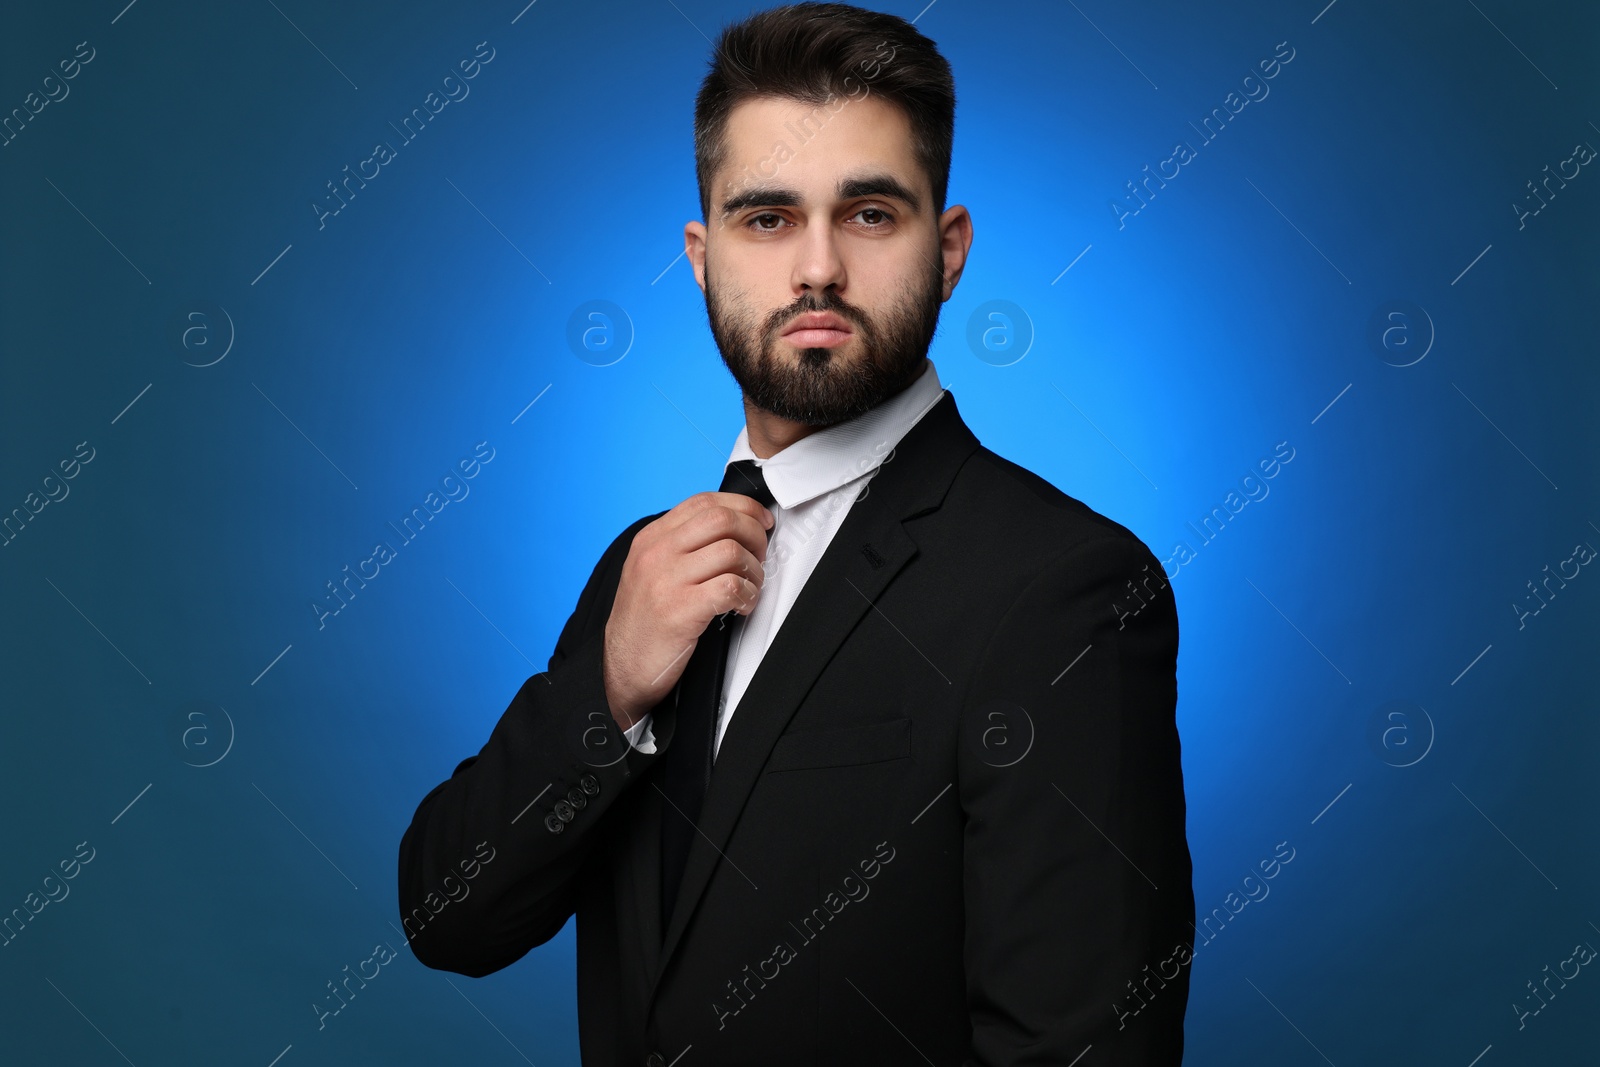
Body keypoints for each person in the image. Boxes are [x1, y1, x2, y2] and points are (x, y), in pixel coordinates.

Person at [397, 3, 1193, 1062]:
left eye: (868, 213)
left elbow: (1083, 1046)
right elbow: (449, 920)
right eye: (766, 218)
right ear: (701, 254)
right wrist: (607, 693)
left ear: (947, 249)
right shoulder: (641, 568)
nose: (815, 269)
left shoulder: (1067, 588)